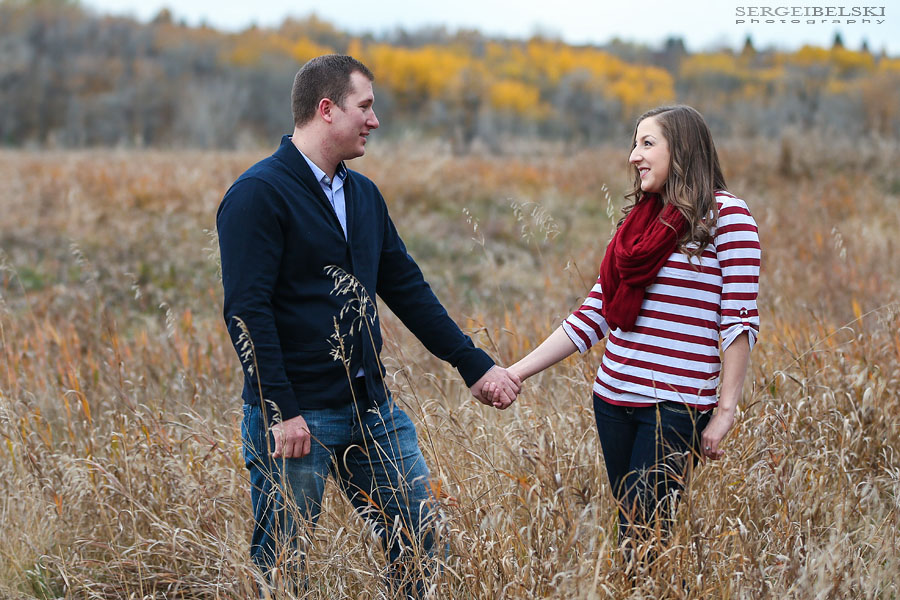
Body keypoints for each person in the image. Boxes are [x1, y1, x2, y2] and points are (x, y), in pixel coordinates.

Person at [216, 54, 521, 594]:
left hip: (371, 408)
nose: (375, 121)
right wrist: (281, 410)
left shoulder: (363, 196)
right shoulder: (258, 194)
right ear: (327, 109)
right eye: (366, 107)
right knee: (284, 567)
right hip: (297, 417)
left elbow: (407, 290)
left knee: (425, 544)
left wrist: (472, 364)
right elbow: (247, 311)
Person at [486, 104, 760, 565]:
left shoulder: (728, 218)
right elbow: (595, 313)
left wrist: (725, 410)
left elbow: (739, 320)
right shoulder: (638, 221)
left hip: (676, 405)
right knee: (634, 527)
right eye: (635, 144)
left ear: (682, 149)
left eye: (647, 143)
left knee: (643, 531)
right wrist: (515, 373)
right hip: (613, 398)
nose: (635, 156)